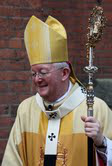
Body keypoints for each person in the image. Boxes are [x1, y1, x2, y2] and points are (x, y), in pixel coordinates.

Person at [2, 15, 112, 166]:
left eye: (43, 72)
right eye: (34, 73)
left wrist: (101, 143)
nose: (37, 79)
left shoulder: (96, 109)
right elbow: (12, 160)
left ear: (65, 73)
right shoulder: (26, 110)